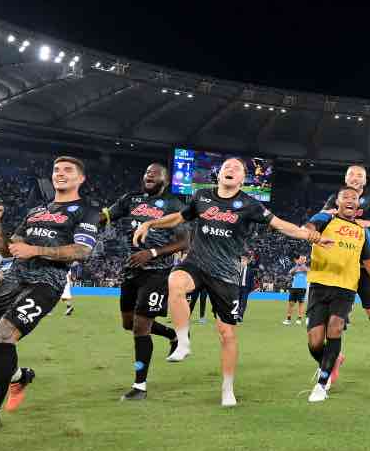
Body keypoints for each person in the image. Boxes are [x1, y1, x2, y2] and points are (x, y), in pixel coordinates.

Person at [132, 157, 322, 407]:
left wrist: (310, 235)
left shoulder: (250, 204)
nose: (230, 170)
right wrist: (151, 221)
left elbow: (280, 225)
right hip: (196, 264)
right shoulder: (202, 197)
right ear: (219, 174)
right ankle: (183, 341)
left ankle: (227, 388)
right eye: (226, 167)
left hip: (225, 275)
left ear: (243, 179)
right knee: (175, 281)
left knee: (227, 334)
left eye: (237, 169)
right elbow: (178, 218)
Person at [0, 156, 102, 435]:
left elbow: (82, 251)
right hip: (14, 279)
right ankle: (18, 376)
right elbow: (6, 250)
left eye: (68, 170)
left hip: (46, 282)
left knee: (4, 332)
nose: (60, 174)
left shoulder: (87, 211)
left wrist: (36, 250)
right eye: (56, 170)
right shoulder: (36, 211)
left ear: (80, 178)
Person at [303, 186, 370, 401]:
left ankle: (321, 384)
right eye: (345, 197)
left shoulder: (362, 231)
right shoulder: (325, 218)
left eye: (354, 198)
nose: (350, 200)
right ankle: (330, 362)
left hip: (345, 287)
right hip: (319, 285)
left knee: (335, 328)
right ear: (336, 202)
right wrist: (312, 233)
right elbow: (309, 226)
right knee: (315, 341)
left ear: (358, 205)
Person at [101, 162, 190, 401]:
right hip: (132, 269)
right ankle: (171, 334)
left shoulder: (175, 205)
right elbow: (104, 216)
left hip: (157, 273)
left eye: (155, 173)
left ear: (166, 180)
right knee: (128, 324)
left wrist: (152, 253)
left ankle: (140, 386)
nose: (149, 174)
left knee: (141, 327)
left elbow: (184, 243)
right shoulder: (131, 199)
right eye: (146, 172)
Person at [320, 165, 370, 379]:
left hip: (364, 268)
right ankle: (333, 361)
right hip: (340, 268)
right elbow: (321, 219)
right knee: (334, 321)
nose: (355, 178)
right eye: (352, 174)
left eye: (360, 176)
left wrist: (365, 222)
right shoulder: (335, 199)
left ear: (364, 182)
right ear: (345, 179)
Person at [284, 255, 310, 325]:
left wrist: (302, 266)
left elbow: (308, 271)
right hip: (294, 287)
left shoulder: (305, 268)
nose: (300, 260)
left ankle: (299, 319)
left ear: (304, 260)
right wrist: (297, 267)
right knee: (291, 303)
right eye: (299, 259)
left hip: (302, 288)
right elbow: (290, 272)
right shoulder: (295, 268)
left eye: (302, 259)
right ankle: (288, 319)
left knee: (301, 304)